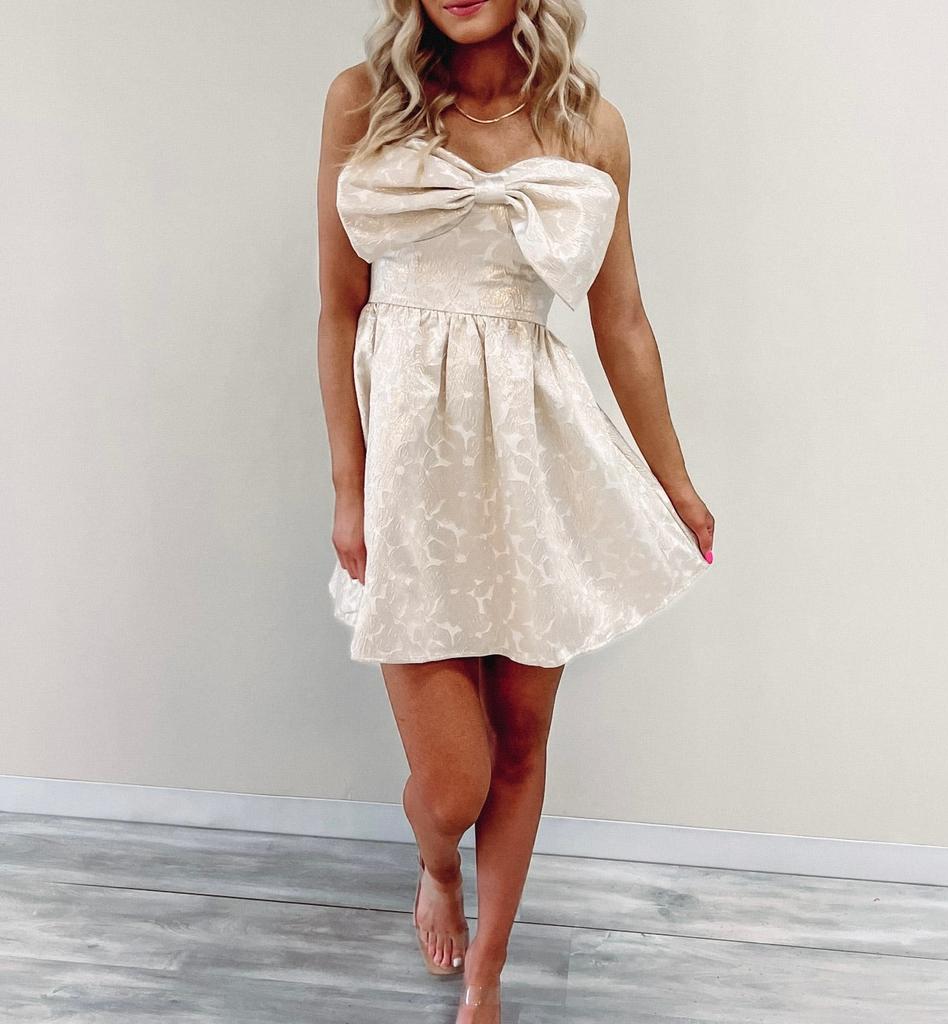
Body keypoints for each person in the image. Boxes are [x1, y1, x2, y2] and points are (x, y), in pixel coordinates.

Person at [316, 1, 715, 1019]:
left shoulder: (590, 125)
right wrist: (348, 487)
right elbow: (338, 308)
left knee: (524, 737)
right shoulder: (364, 103)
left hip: (535, 459)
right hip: (411, 476)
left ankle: (486, 977)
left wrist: (674, 480)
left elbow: (622, 322)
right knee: (453, 783)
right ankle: (436, 862)